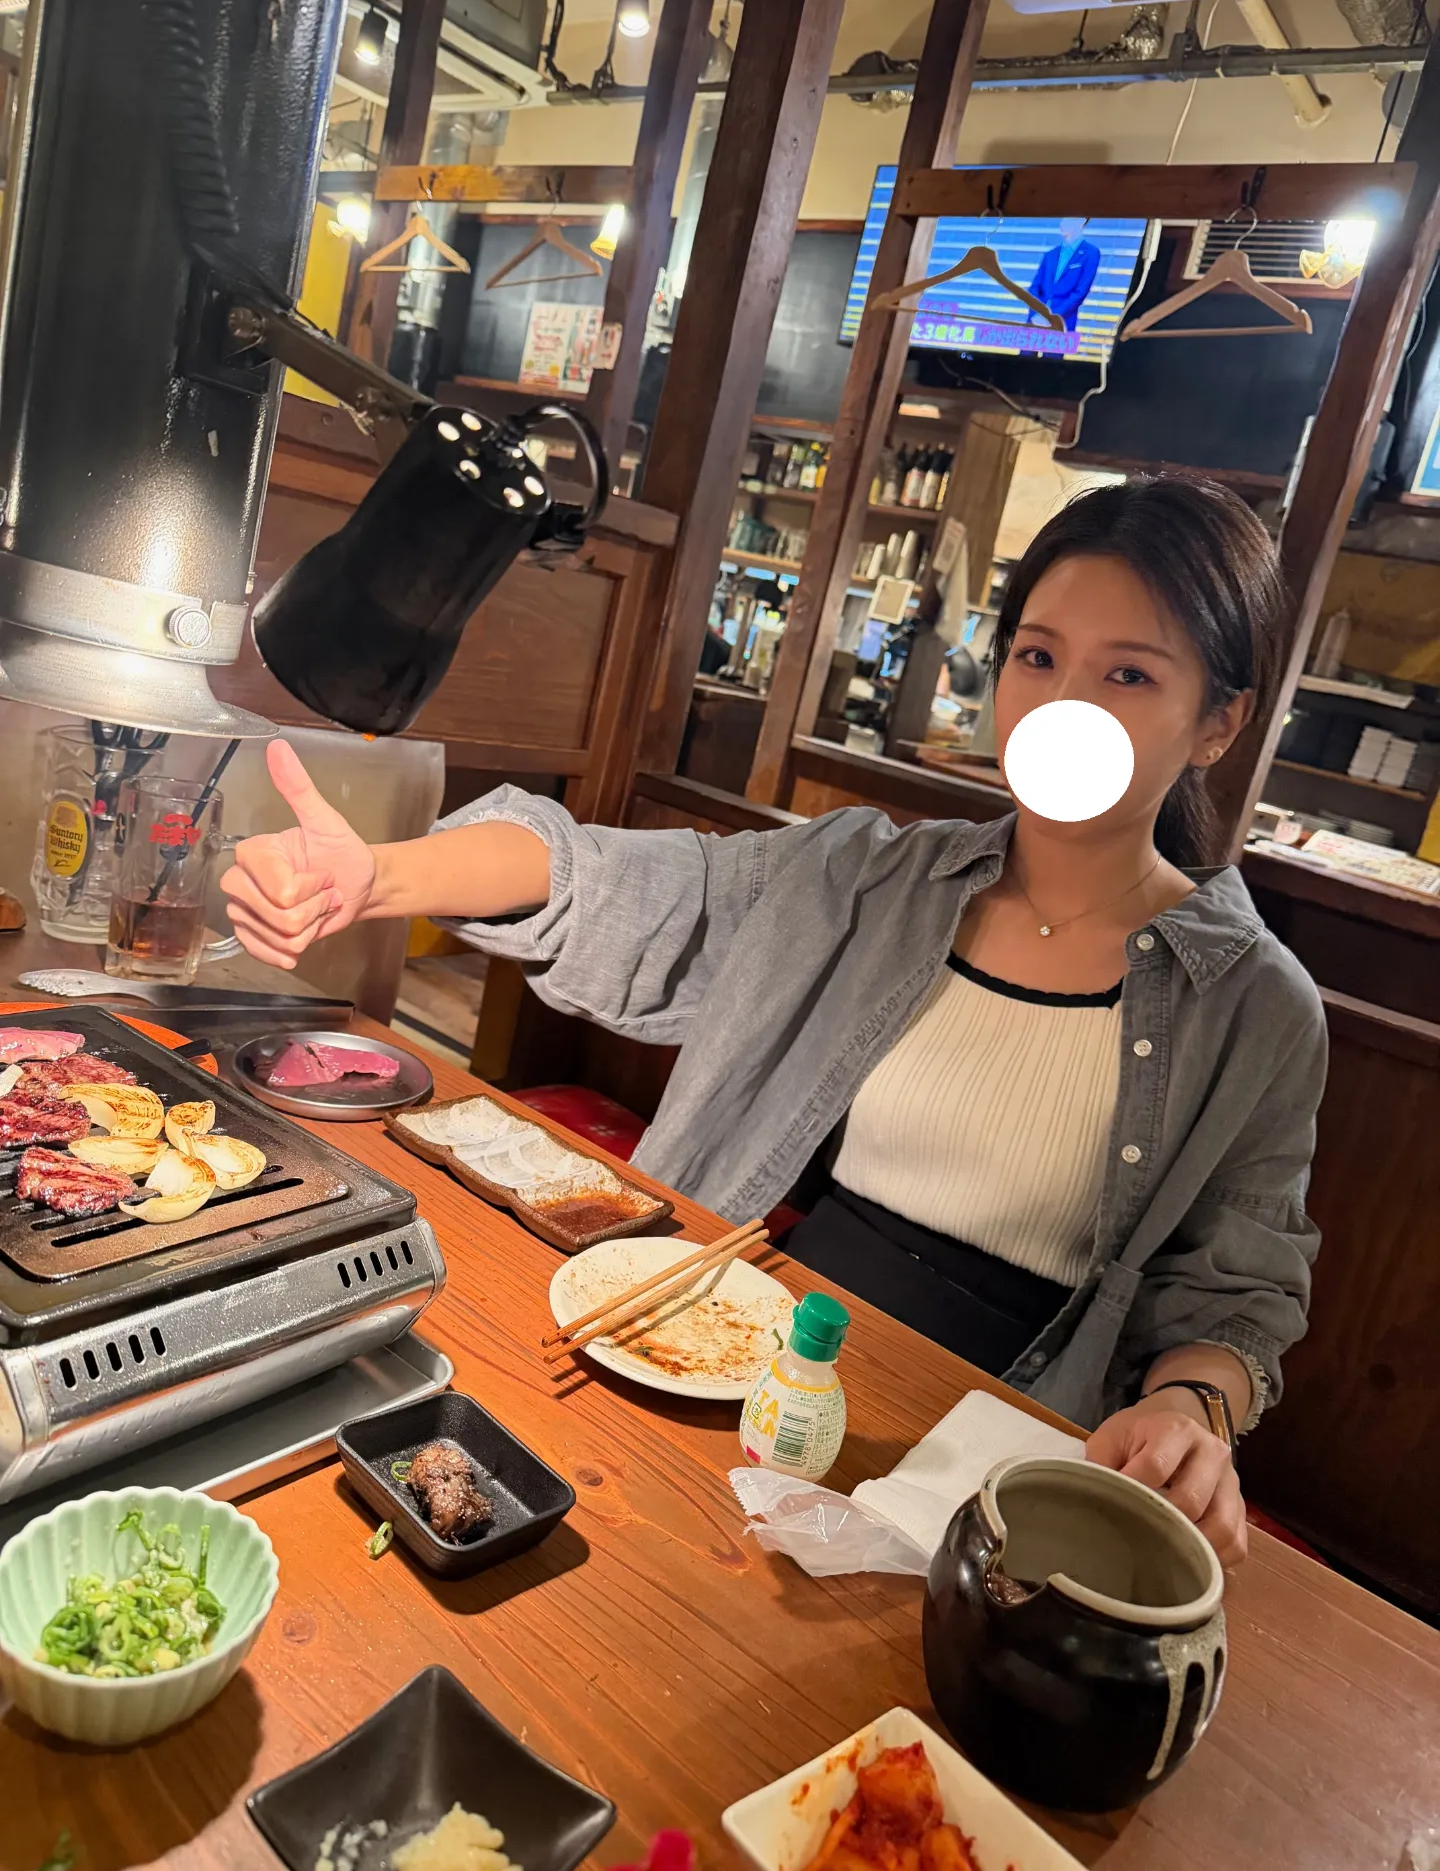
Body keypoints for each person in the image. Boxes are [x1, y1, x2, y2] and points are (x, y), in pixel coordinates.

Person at [222, 477, 1326, 1571]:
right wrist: (380, 874)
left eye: (1128, 674)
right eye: (1037, 657)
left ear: (1218, 722)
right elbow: (616, 878)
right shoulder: (871, 877)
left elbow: (1239, 1287)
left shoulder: (1255, 1006)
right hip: (743, 1350)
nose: (1061, 708)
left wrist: (1193, 1408)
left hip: (997, 1440)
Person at [1027, 216, 1101, 334]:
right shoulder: (1050, 254)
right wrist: (1036, 312)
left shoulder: (1090, 253)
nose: (1062, 223)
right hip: (1035, 320)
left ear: (1082, 221)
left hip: (1062, 322)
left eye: (1068, 220)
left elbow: (1080, 292)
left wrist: (1052, 317)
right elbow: (1035, 287)